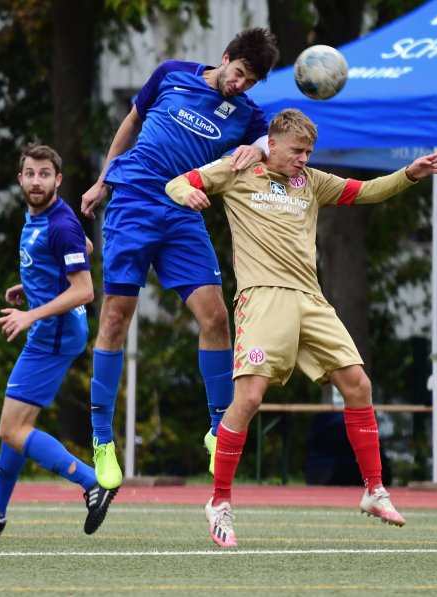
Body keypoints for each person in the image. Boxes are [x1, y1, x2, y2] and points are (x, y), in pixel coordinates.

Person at [166, 108, 437, 547]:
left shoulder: (313, 182)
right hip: (262, 297)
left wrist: (409, 174)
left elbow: (367, 191)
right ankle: (219, 501)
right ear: (272, 145)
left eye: (308, 152)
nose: (303, 158)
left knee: (358, 385)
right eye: (297, 150)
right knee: (250, 398)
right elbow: (178, 182)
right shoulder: (239, 168)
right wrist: (188, 195)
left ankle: (374, 490)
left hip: (311, 300)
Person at [80, 28, 279, 489]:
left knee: (215, 318)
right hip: (133, 199)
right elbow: (130, 122)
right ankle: (102, 442)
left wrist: (261, 146)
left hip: (184, 211)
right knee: (115, 317)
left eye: (250, 82)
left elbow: (277, 141)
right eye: (239, 74)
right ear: (226, 58)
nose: (240, 85)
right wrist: (103, 181)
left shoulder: (247, 115)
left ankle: (217, 431)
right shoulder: (171, 75)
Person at [0, 143, 116, 537]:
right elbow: (84, 248)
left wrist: (31, 314)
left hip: (52, 333)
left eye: (45, 174)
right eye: (30, 173)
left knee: (11, 429)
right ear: (20, 178)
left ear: (58, 180)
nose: (37, 180)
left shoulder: (59, 222)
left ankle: (92, 482)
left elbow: (84, 291)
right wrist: (31, 285)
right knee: (18, 424)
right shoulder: (45, 217)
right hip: (53, 329)